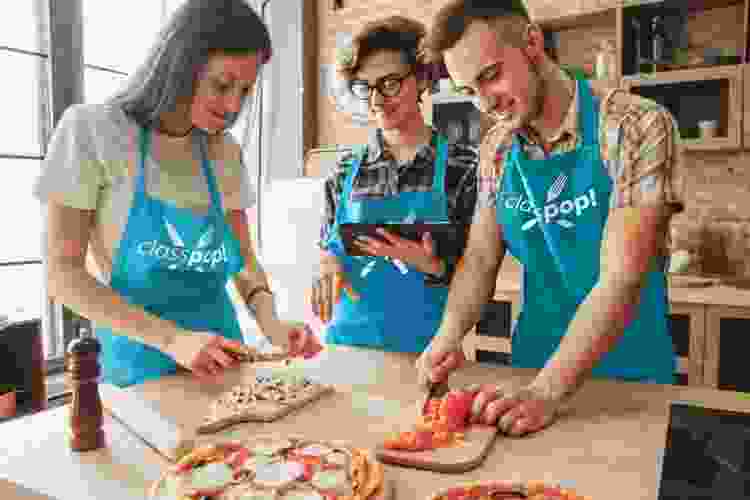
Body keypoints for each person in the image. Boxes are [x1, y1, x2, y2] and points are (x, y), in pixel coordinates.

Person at [416, 0, 685, 436]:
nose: (485, 103)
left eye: (490, 76)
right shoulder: (497, 150)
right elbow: (481, 259)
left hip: (628, 385)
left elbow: (622, 277)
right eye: (470, 91)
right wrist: (447, 336)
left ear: (532, 43)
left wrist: (548, 392)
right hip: (530, 374)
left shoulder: (637, 127)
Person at [34, 0, 318, 388]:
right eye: (221, 85)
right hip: (138, 370)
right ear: (180, 63)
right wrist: (173, 339)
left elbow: (242, 258)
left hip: (227, 366)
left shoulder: (224, 151)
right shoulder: (92, 131)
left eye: (245, 90)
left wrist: (273, 324)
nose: (234, 105)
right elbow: (61, 274)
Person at [306, 16, 478, 354]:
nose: (376, 99)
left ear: (423, 79)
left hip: (429, 354)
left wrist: (430, 263)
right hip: (348, 348)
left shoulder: (464, 167)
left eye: (390, 83)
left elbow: (476, 275)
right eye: (365, 87)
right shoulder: (343, 172)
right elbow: (329, 246)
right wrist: (326, 262)